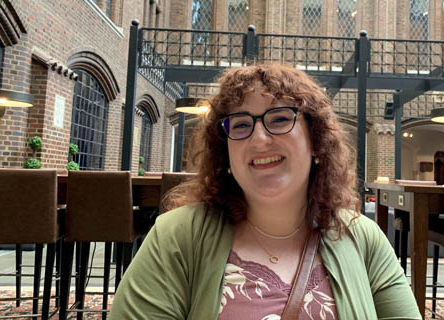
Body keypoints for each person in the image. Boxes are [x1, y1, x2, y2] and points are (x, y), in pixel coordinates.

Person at [110, 64, 421, 319]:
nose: (259, 139)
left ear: (315, 142)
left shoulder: (364, 239)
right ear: (226, 151)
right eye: (241, 125)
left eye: (281, 118)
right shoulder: (177, 236)